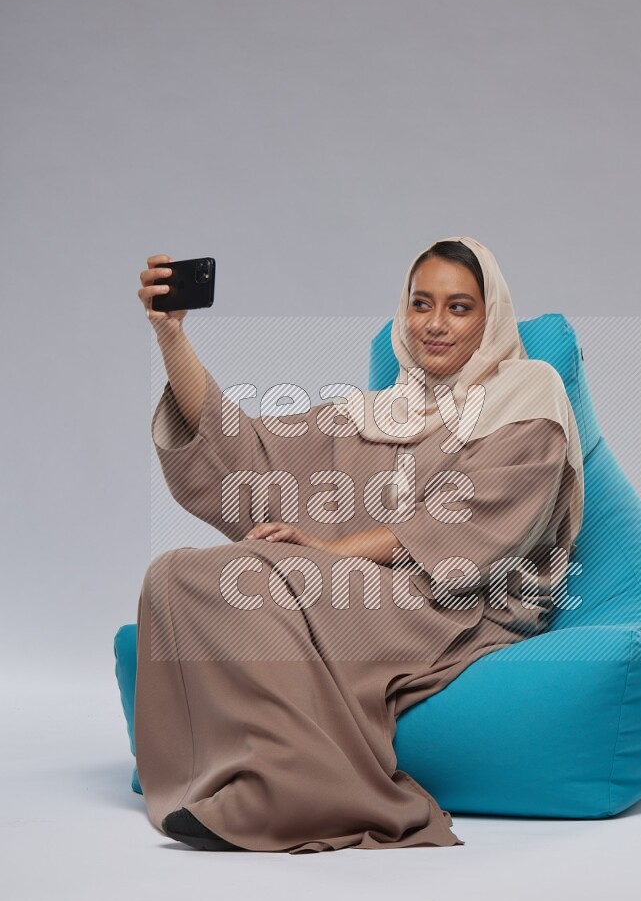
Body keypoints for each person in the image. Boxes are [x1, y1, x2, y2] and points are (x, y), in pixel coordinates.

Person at [134, 235, 584, 854]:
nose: (435, 323)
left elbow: (475, 524)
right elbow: (245, 451)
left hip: (459, 600)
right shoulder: (375, 412)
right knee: (176, 574)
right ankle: (255, 775)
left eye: (459, 308)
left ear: (491, 317)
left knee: (261, 581)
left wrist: (331, 550)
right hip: (365, 586)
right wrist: (171, 336)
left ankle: (304, 793)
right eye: (421, 304)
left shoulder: (528, 392)